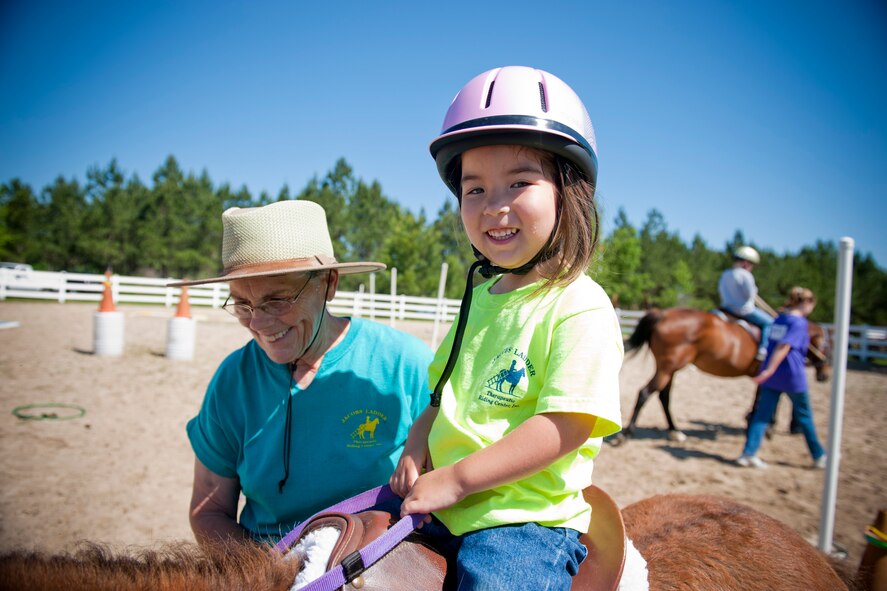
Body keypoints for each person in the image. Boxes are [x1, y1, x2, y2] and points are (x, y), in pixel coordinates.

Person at [389, 66, 623, 589]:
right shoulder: (480, 295)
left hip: (519, 522)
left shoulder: (579, 305)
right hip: (444, 499)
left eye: (519, 182)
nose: (495, 206)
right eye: (475, 189)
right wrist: (416, 444)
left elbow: (565, 426)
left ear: (570, 192)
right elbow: (442, 391)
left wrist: (457, 479)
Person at [170, 200, 432, 548]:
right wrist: (267, 576)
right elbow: (209, 510)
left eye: (277, 300)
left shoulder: (406, 365)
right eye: (242, 305)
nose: (258, 323)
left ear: (329, 283)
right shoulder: (233, 380)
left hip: (374, 563)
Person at [737, 287, 826, 469]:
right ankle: (819, 455)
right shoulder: (799, 323)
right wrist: (769, 370)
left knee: (762, 416)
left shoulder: (779, 319)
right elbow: (783, 347)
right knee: (804, 416)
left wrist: (768, 370)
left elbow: (774, 343)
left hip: (773, 376)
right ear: (807, 303)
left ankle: (748, 453)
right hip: (791, 374)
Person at [718, 245, 773, 360]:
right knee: (770, 323)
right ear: (746, 263)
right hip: (744, 310)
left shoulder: (726, 274)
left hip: (726, 308)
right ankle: (763, 348)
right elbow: (750, 295)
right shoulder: (746, 275)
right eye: (751, 264)